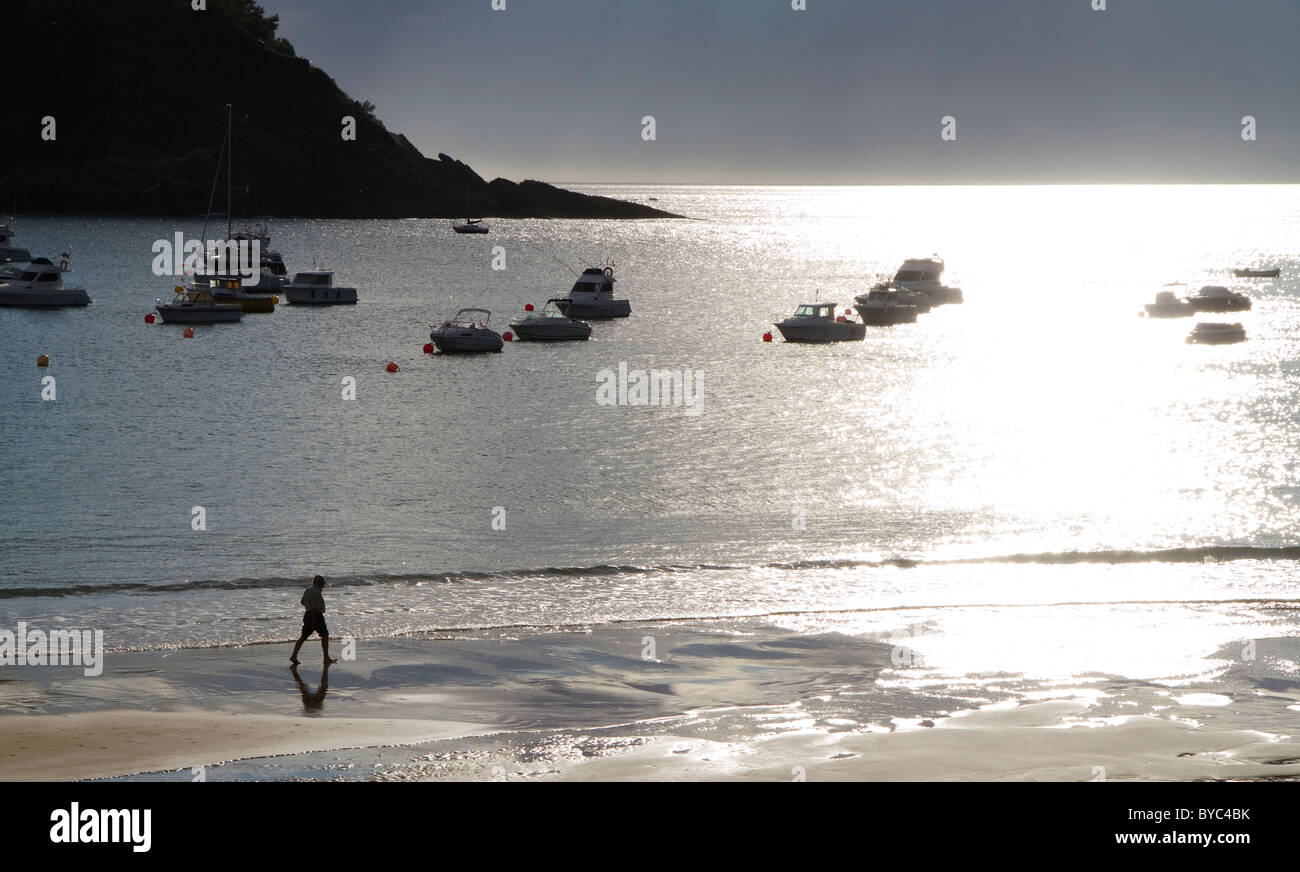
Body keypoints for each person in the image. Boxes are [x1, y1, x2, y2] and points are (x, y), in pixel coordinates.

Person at [290, 575, 337, 665]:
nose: (324, 583)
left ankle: (294, 656)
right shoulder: (317, 592)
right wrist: (314, 621)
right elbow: (315, 608)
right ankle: (326, 658)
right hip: (316, 616)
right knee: (325, 635)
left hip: (307, 614)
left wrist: (308, 607)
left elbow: (302, 601)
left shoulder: (308, 590)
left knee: (303, 637)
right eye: (323, 581)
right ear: (319, 582)